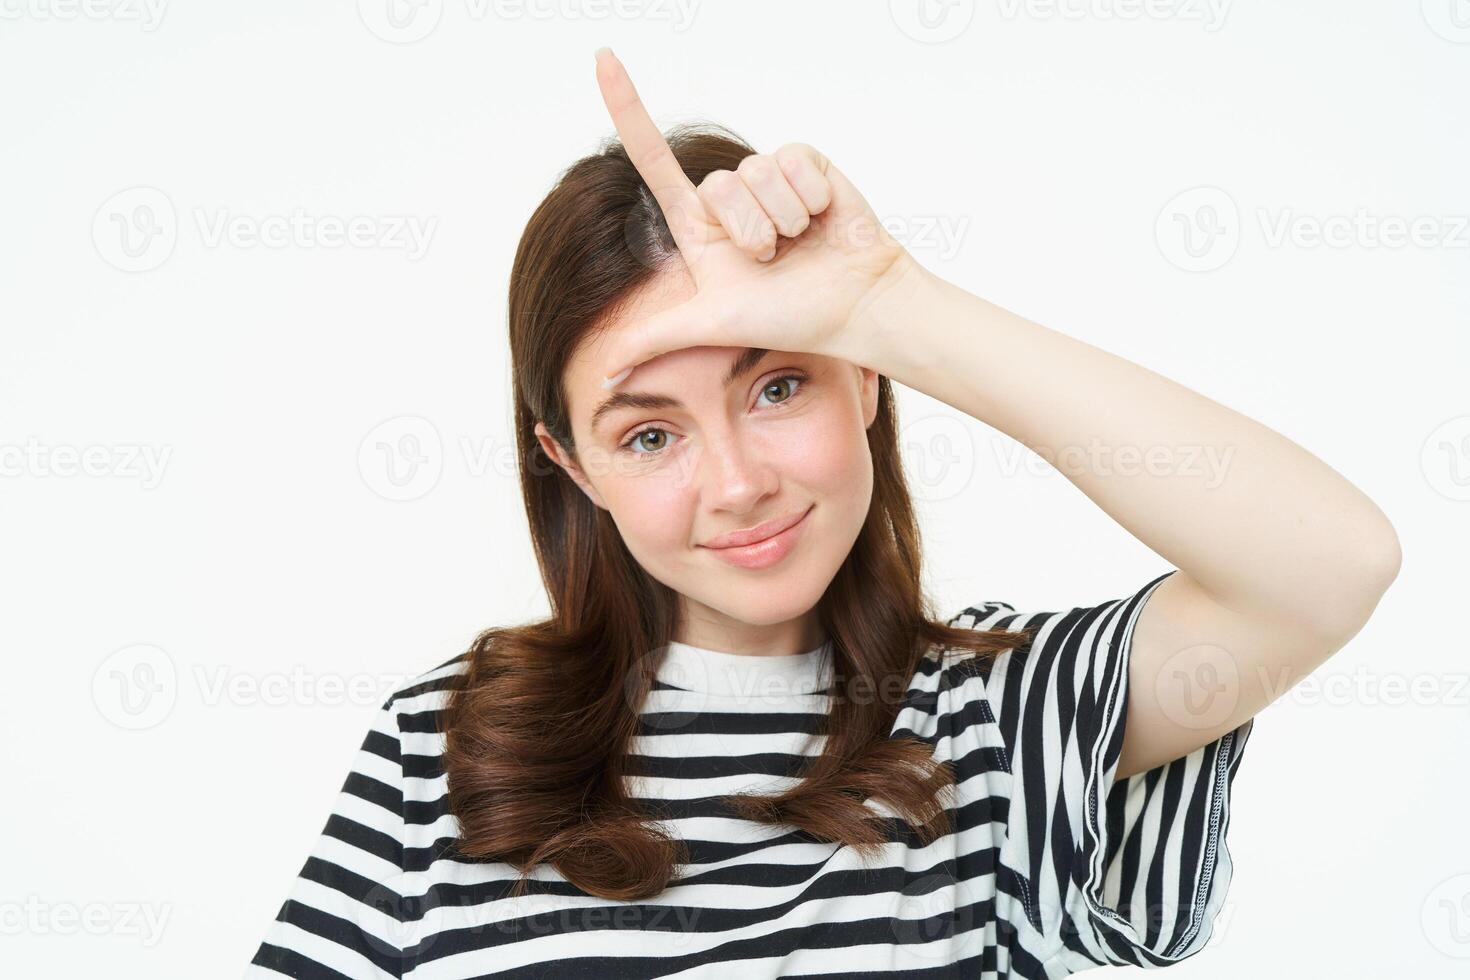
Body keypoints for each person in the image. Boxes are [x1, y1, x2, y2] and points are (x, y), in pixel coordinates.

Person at [247, 47, 1400, 979]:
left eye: (778, 384)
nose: (738, 480)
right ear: (574, 466)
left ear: (865, 382)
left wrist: (891, 302)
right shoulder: (442, 746)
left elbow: (1328, 564)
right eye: (650, 433)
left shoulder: (997, 725)